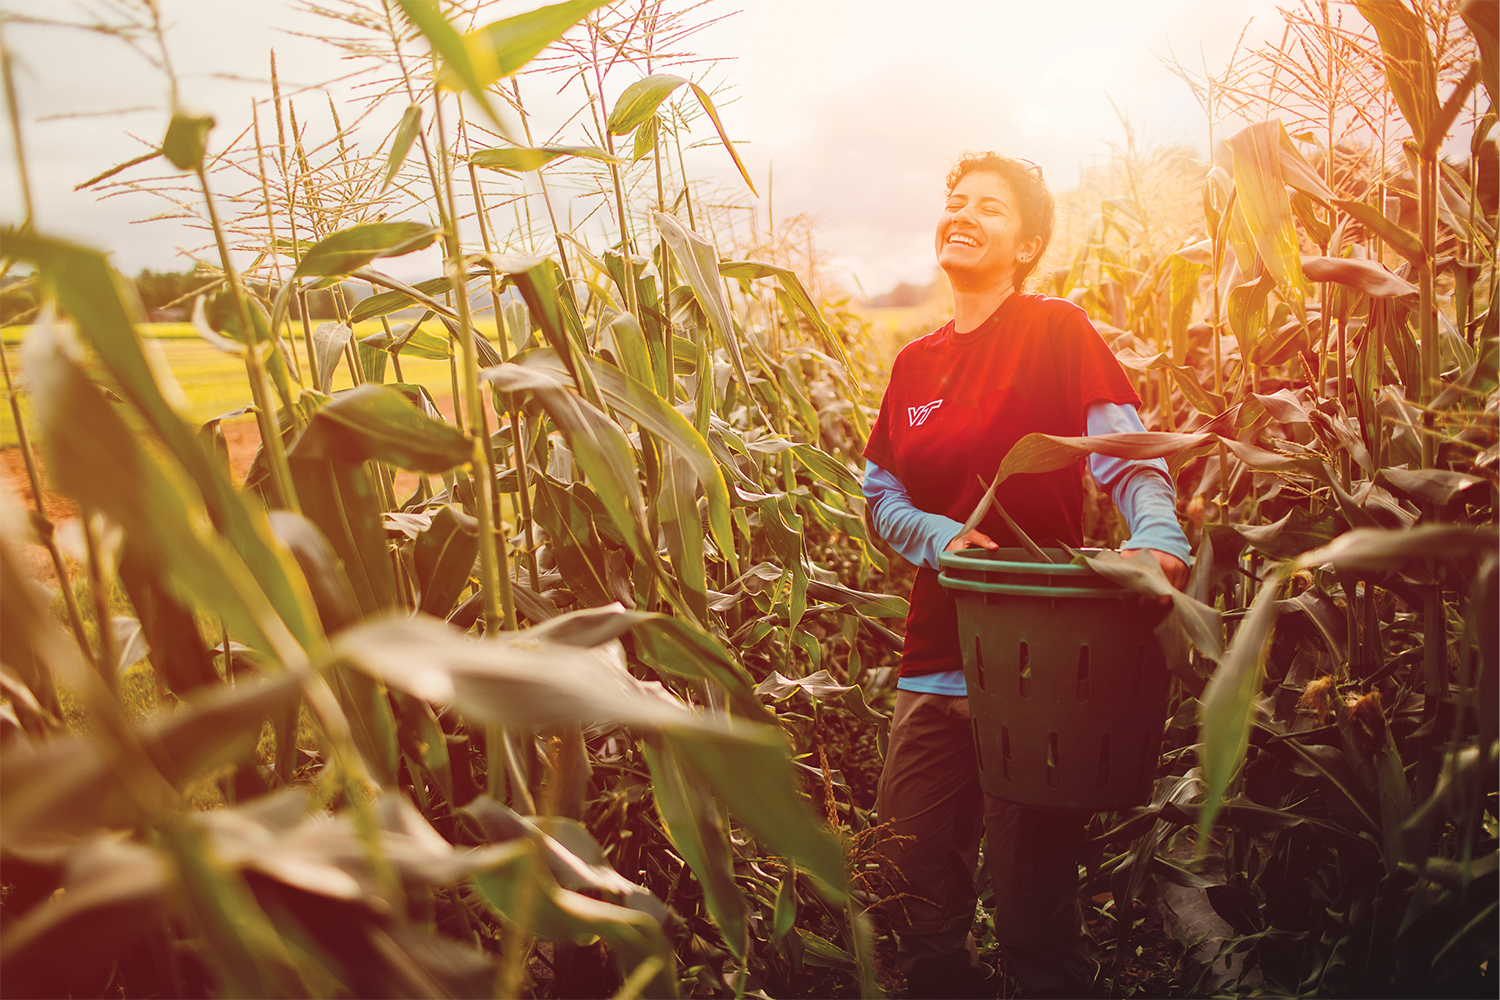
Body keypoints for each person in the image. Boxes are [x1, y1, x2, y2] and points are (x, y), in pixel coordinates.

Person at [862, 152, 1192, 1000]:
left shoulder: (1056, 330)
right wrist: (940, 536)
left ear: (1028, 242)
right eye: (953, 200)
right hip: (936, 650)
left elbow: (1124, 451)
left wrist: (1156, 534)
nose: (961, 214)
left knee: (1032, 910)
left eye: (989, 208)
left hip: (1035, 660)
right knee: (909, 876)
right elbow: (882, 491)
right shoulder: (915, 365)